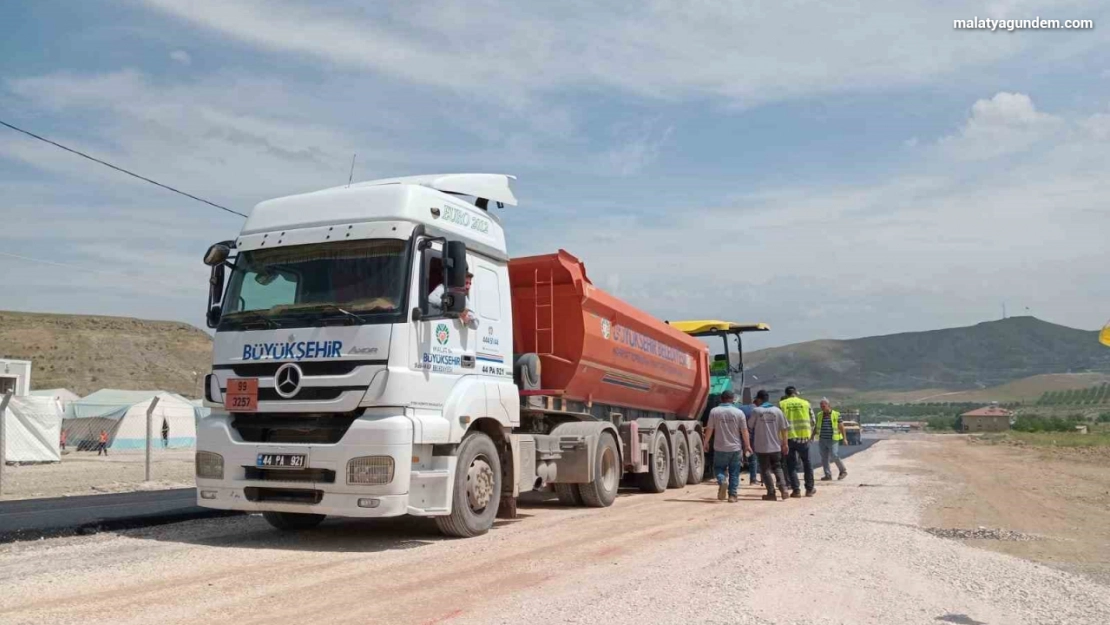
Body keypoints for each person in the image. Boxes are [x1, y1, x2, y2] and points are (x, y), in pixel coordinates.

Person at [702, 389, 752, 502]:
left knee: (719, 468)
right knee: (734, 472)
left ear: (721, 399)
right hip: (735, 448)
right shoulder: (739, 412)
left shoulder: (714, 411)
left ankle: (722, 480)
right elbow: (744, 431)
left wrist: (705, 443)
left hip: (720, 447)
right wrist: (747, 445)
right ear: (733, 399)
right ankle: (733, 496)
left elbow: (710, 429)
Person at [748, 390, 790, 501]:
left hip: (761, 446)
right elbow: (784, 429)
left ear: (760, 399)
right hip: (776, 445)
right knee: (777, 467)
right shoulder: (777, 411)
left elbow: (750, 426)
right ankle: (784, 489)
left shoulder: (756, 411)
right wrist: (785, 444)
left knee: (765, 469)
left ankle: (771, 493)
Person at [780, 385, 816, 498]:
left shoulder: (782, 404)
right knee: (807, 463)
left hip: (789, 438)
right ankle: (809, 489)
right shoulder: (806, 403)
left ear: (786, 394)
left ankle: (796, 490)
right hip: (804, 438)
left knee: (791, 465)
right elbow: (813, 421)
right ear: (796, 393)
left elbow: (780, 423)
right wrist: (809, 433)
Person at [814, 398, 848, 481]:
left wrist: (845, 438)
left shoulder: (836, 414)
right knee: (824, 457)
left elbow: (841, 427)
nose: (822, 407)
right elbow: (816, 427)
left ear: (828, 405)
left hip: (833, 439)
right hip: (822, 439)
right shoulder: (819, 415)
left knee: (834, 455)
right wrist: (812, 436)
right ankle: (827, 475)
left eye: (824, 406)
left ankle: (843, 471)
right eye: (821, 406)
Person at [738, 387, 759, 486]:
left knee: (737, 459)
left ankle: (734, 479)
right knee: (753, 459)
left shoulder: (739, 409)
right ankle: (753, 479)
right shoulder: (756, 410)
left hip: (739, 436)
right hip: (753, 437)